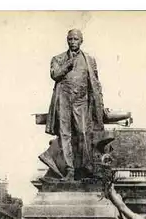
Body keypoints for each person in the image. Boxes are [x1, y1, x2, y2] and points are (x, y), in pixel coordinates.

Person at [45, 29, 104, 180]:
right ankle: (69, 169)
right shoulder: (58, 59)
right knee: (65, 134)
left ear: (81, 41)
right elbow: (54, 74)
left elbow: (96, 84)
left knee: (83, 132)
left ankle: (85, 167)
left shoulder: (89, 60)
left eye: (75, 39)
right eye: (70, 39)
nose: (72, 42)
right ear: (67, 41)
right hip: (63, 99)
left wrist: (99, 105)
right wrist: (67, 65)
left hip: (81, 100)